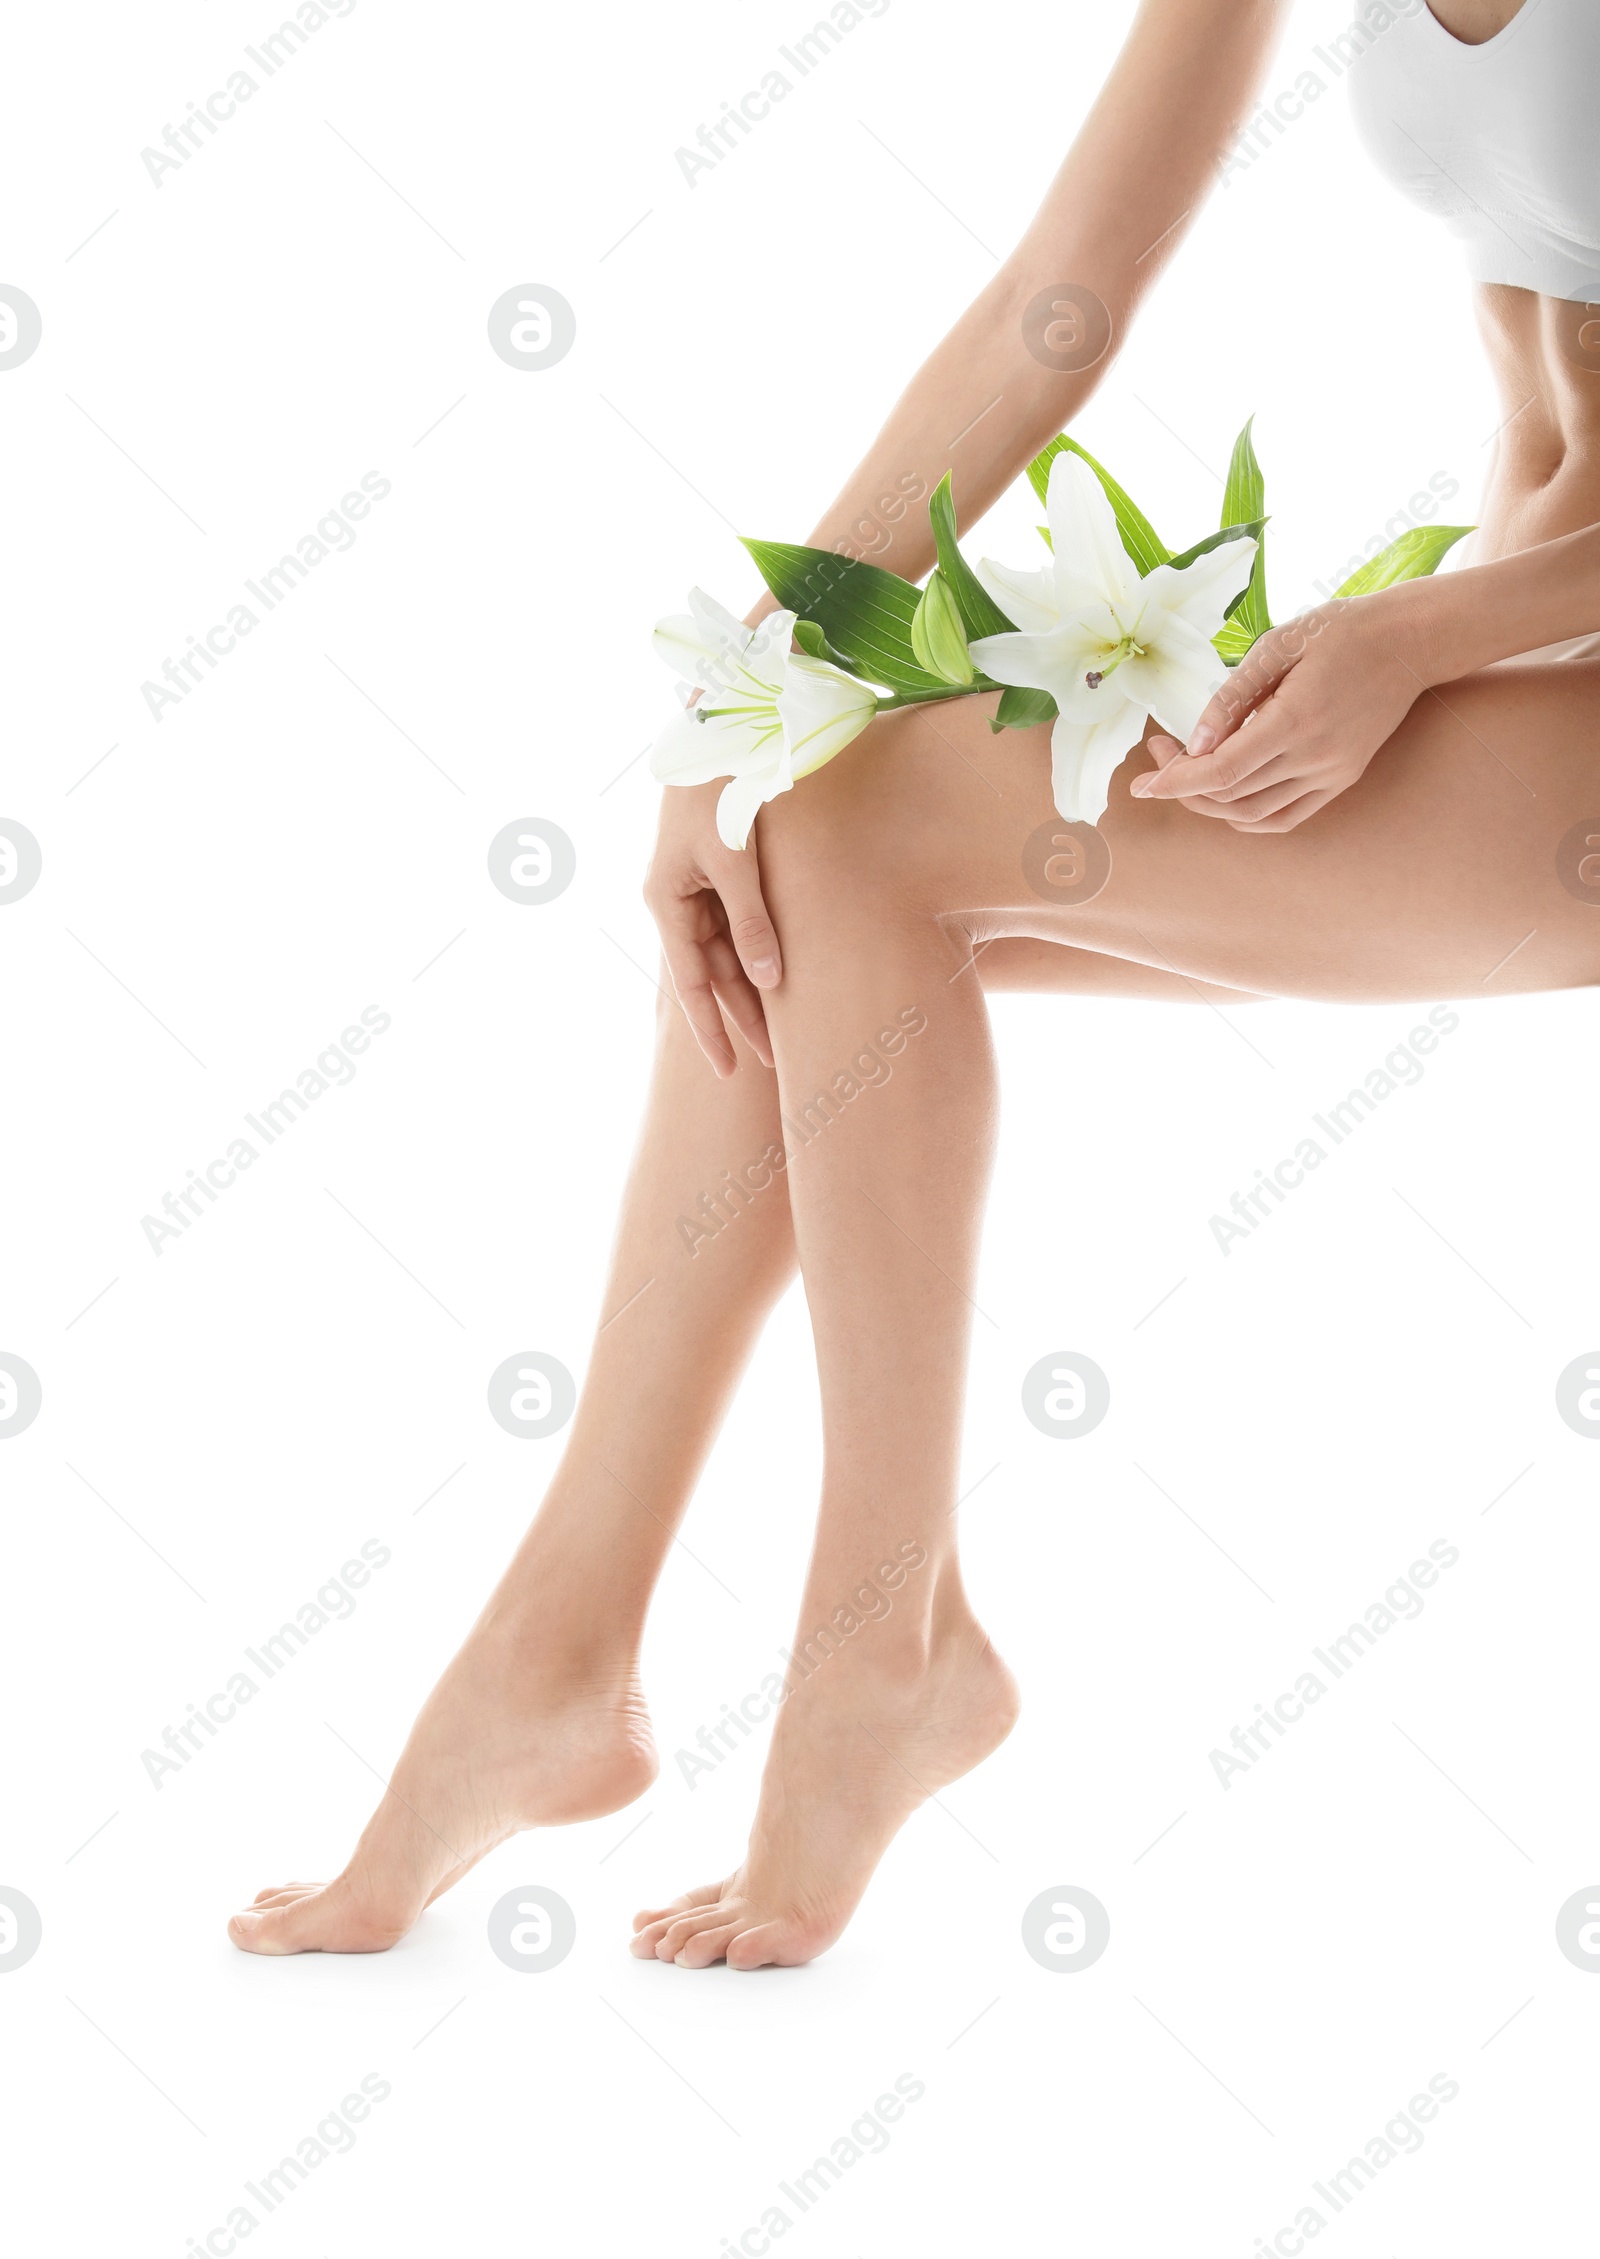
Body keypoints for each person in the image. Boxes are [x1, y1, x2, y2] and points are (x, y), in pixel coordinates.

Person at [229, 0, 1600, 1968]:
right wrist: (751, 683)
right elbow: (1054, 297)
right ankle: (567, 1651)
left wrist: (1416, 632)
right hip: (1495, 684)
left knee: (849, 826)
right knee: (795, 822)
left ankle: (872, 1639)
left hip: (1535, 692)